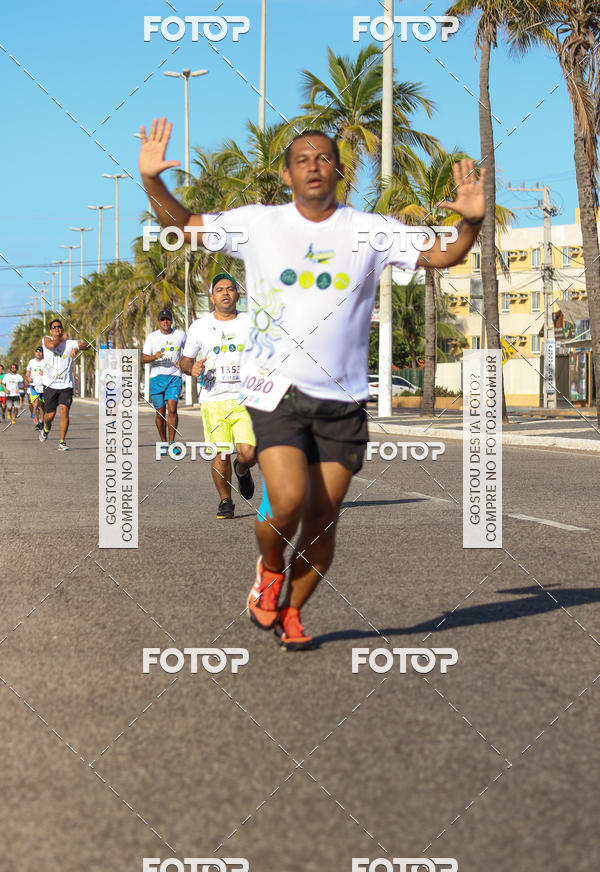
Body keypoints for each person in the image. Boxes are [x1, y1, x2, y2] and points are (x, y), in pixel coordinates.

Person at [139, 119, 485, 650]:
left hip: (342, 401)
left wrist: (471, 223)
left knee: (323, 522)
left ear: (340, 171)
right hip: (276, 392)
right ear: (286, 175)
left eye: (324, 158)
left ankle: (293, 611)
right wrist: (152, 181)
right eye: (302, 159)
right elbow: (183, 223)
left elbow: (443, 253)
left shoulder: (370, 230)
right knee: (286, 503)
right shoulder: (258, 224)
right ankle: (270, 567)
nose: (314, 166)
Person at [179, 273, 256, 519]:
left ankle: (242, 470)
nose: (225, 293)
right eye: (220, 289)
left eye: (230, 289)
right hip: (213, 400)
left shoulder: (251, 323)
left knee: (249, 453)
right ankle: (225, 500)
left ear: (237, 295)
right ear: (212, 297)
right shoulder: (199, 326)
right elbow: (184, 360)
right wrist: (191, 368)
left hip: (246, 398)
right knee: (221, 453)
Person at [40, 319, 91, 450]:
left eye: (59, 326)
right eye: (54, 327)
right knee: (50, 415)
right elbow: (52, 345)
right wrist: (62, 338)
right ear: (51, 331)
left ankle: (62, 442)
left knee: (64, 411)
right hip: (50, 384)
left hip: (66, 385)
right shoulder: (46, 339)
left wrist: (76, 348)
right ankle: (46, 428)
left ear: (62, 329)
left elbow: (87, 345)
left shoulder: (70, 343)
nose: (57, 328)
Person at [141, 309, 186, 453]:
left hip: (174, 376)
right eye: (162, 319)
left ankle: (172, 443)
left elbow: (189, 352)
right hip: (157, 378)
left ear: (171, 321)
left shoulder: (180, 335)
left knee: (172, 409)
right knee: (160, 412)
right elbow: (143, 358)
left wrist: (182, 361)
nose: (165, 322)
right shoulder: (152, 337)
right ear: (158, 322)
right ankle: (163, 442)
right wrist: (154, 357)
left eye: (167, 319)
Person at [26, 346, 45, 430]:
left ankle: (41, 421)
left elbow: (51, 371)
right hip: (34, 386)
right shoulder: (31, 362)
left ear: (42, 353)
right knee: (36, 403)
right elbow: (27, 373)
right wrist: (28, 378)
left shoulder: (46, 361)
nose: (38, 353)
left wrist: (45, 371)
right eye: (37, 351)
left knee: (42, 406)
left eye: (40, 352)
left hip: (44, 386)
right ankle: (36, 421)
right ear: (35, 353)